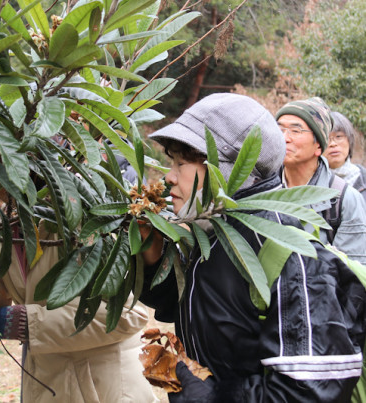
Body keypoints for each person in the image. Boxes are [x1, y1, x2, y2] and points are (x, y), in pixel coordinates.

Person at [140, 93, 366, 402]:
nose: (168, 177)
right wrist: (152, 257)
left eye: (182, 163)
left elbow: (310, 390)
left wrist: (212, 397)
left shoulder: (286, 252)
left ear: (232, 170)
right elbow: (194, 302)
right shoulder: (212, 232)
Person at [0, 223, 156, 399]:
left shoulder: (80, 218)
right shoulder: (8, 223)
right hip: (49, 380)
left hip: (101, 386)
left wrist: (32, 324)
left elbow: (128, 313)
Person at [276, 97, 366, 265]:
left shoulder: (344, 199)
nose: (285, 138)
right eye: (279, 129)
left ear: (319, 146)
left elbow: (351, 275)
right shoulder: (261, 190)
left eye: (296, 131)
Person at [323, 111, 366, 202]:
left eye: (338, 136)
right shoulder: (313, 182)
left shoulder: (363, 178)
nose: (333, 144)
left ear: (349, 139)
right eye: (327, 138)